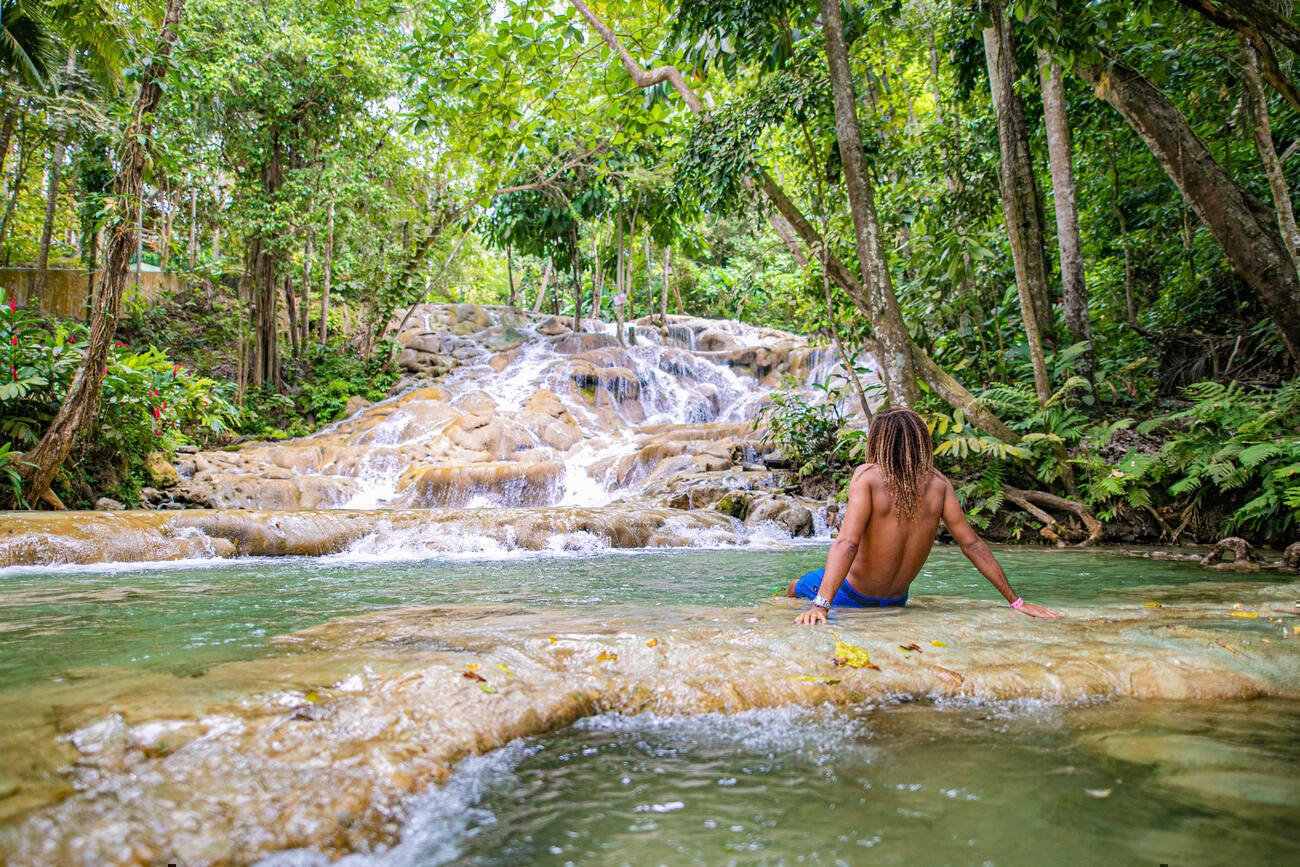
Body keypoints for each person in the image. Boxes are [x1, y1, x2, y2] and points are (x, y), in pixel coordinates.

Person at [790, 406, 1062, 625]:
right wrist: (1017, 602)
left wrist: (820, 605)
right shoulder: (939, 484)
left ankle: (803, 601)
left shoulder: (867, 476)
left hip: (850, 595)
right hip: (895, 601)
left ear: (878, 442)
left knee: (793, 587)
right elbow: (972, 544)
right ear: (920, 442)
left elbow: (847, 543)